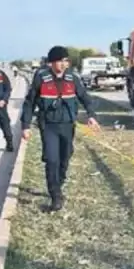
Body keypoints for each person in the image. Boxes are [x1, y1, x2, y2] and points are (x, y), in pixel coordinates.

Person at [21, 46, 100, 212]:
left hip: (67, 125)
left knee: (65, 157)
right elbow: (30, 103)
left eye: (66, 60)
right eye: (60, 60)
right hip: (48, 125)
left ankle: (59, 183)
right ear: (52, 62)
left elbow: (85, 97)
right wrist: (25, 126)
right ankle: (55, 195)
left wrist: (91, 115)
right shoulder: (41, 77)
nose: (64, 64)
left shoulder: (73, 78)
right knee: (51, 159)